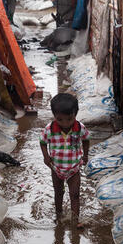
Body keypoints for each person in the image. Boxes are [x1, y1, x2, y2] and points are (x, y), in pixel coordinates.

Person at [40, 93, 90, 228]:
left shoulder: (79, 128)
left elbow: (86, 140)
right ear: (54, 116)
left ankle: (76, 220)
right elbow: (43, 142)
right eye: (60, 119)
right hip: (56, 168)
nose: (65, 124)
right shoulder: (49, 129)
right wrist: (46, 157)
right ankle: (58, 215)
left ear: (75, 114)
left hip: (74, 169)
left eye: (69, 119)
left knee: (75, 194)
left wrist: (85, 155)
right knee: (58, 192)